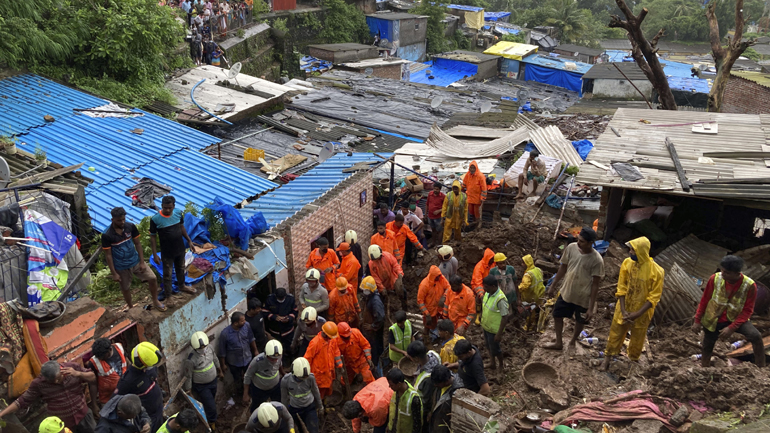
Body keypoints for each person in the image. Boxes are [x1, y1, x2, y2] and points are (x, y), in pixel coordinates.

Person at [601, 237, 664, 371]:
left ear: (641, 251)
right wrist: (624, 310)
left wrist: (637, 313)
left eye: (633, 250)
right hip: (624, 306)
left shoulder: (657, 271)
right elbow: (621, 287)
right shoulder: (627, 263)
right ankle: (607, 358)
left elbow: (654, 297)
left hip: (642, 312)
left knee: (638, 337)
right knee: (615, 332)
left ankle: (632, 362)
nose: (630, 252)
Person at [692, 255, 765, 367]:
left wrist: (732, 327)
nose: (722, 274)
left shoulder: (749, 285)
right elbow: (704, 300)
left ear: (737, 273)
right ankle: (704, 366)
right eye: (722, 270)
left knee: (756, 336)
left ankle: (760, 367)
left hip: (736, 318)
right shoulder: (714, 279)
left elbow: (748, 310)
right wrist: (697, 320)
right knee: (708, 343)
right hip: (713, 318)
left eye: (727, 272)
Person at [545, 227, 604, 355]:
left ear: (590, 243)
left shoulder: (597, 260)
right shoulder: (571, 248)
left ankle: (572, 342)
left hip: (583, 297)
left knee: (580, 320)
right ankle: (559, 342)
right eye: (578, 240)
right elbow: (563, 267)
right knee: (557, 315)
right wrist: (553, 285)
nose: (578, 243)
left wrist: (591, 307)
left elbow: (595, 284)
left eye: (582, 241)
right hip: (567, 291)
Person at [0, 361, 96, 433]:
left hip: (84, 415)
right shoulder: (39, 383)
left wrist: (78, 373)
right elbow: (22, 401)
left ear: (61, 369)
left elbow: (92, 377)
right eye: (52, 381)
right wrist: (1, 414)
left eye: (58, 378)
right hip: (61, 424)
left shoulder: (73, 367)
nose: (56, 382)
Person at [102, 207, 164, 311]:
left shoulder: (130, 226)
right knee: (125, 288)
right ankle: (131, 307)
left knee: (152, 278)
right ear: (112, 220)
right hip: (121, 266)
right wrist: (114, 273)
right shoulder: (107, 235)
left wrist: (142, 262)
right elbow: (108, 255)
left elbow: (138, 244)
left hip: (135, 261)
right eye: (119, 220)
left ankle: (155, 300)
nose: (122, 222)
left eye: (123, 219)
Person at [149, 196, 197, 300]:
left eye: (170, 208)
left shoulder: (178, 213)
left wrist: (189, 241)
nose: (167, 210)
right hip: (167, 252)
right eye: (165, 208)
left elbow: (181, 227)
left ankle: (182, 286)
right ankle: (169, 296)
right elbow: (153, 237)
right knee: (167, 274)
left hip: (179, 248)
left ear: (174, 206)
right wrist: (155, 254)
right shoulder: (155, 219)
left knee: (181, 268)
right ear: (162, 206)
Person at [114, 342, 164, 432]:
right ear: (143, 365)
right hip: (147, 417)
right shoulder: (127, 381)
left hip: (159, 408)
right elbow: (116, 401)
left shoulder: (150, 363)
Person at [183, 332, 222, 431]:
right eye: (200, 348)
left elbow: (215, 359)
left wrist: (220, 370)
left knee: (211, 401)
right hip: (202, 386)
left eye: (204, 347)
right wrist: (189, 391)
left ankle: (211, 417)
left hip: (213, 381)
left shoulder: (210, 348)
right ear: (194, 347)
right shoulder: (191, 360)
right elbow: (188, 376)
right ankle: (211, 423)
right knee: (211, 406)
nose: (203, 349)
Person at [219, 312, 257, 398]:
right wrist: (223, 365)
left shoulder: (247, 326)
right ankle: (240, 395)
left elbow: (251, 338)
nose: (245, 322)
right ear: (236, 323)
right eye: (242, 321)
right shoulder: (225, 334)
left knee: (250, 376)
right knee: (238, 380)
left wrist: (255, 351)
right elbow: (222, 351)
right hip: (234, 362)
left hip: (247, 358)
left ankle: (251, 393)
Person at [281, 358, 323, 433]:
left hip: (309, 407)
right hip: (295, 409)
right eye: (302, 378)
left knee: (313, 429)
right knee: (300, 429)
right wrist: (285, 413)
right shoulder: (286, 380)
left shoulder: (310, 378)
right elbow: (284, 398)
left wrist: (320, 406)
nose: (304, 379)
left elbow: (316, 391)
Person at [88, 338, 127, 412]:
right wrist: (94, 404)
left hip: (125, 392)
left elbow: (127, 362)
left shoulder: (119, 348)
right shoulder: (93, 363)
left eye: (102, 356)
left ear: (110, 349)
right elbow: (93, 384)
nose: (100, 358)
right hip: (107, 399)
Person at [244, 340, 284, 413]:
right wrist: (245, 394)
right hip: (259, 390)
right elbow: (247, 375)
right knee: (256, 407)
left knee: (278, 403)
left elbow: (279, 365)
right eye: (272, 359)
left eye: (276, 359)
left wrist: (283, 374)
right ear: (266, 354)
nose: (275, 361)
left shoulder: (279, 356)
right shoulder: (257, 361)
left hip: (275, 387)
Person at [479, 275, 510, 371]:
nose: (484, 288)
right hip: (486, 326)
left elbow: (505, 317)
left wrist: (499, 334)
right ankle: (492, 363)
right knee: (488, 346)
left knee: (496, 349)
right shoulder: (488, 293)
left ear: (493, 286)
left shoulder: (500, 299)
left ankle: (501, 364)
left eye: (486, 287)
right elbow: (485, 306)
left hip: (494, 330)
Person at [425, 366, 463, 433]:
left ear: (447, 382)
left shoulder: (457, 394)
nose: (435, 385)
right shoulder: (441, 382)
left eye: (437, 384)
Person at [265, 288, 298, 361]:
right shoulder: (270, 299)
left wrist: (289, 318)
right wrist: (274, 317)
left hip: (288, 330)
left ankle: (291, 358)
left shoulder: (290, 299)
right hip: (275, 330)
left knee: (290, 346)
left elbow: (295, 311)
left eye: (282, 298)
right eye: (279, 298)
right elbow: (265, 312)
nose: (281, 300)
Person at [386, 368, 423, 433]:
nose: (389, 386)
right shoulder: (396, 392)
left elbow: (417, 424)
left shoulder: (414, 399)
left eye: (391, 385)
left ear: (399, 384)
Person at [418, 266, 449, 341]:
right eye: (437, 276)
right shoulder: (424, 285)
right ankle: (426, 340)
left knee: (444, 324)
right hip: (430, 310)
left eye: (439, 275)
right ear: (433, 276)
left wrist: (444, 296)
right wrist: (426, 313)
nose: (439, 277)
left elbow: (448, 287)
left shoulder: (441, 279)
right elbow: (420, 301)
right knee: (427, 326)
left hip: (440, 309)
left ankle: (442, 338)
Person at [360, 277, 386, 367]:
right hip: (371, 329)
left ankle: (376, 364)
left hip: (374, 332)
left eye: (365, 289)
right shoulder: (370, 297)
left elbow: (381, 317)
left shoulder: (375, 301)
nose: (364, 291)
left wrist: (373, 326)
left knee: (375, 347)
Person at [519, 254, 546, 331]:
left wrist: (517, 289)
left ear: (527, 263)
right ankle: (534, 322)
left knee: (530, 311)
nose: (522, 264)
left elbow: (524, 286)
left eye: (523, 263)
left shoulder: (528, 274)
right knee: (534, 309)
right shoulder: (538, 269)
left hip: (531, 296)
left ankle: (528, 326)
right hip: (539, 294)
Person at [488, 253, 519, 319]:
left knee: (511, 313)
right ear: (496, 264)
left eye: (504, 263)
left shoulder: (511, 269)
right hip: (500, 297)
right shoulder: (493, 271)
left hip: (510, 295)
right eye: (500, 263)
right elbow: (490, 285)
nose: (503, 265)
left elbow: (516, 282)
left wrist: (518, 297)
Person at [462, 161, 487, 225]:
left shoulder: (480, 176)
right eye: (471, 168)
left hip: (477, 199)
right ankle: (473, 223)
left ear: (476, 168)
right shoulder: (467, 175)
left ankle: (477, 224)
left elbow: (484, 188)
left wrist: (482, 198)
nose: (472, 169)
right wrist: (460, 189)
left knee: (477, 214)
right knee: (471, 212)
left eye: (473, 168)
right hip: (470, 198)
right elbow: (464, 184)